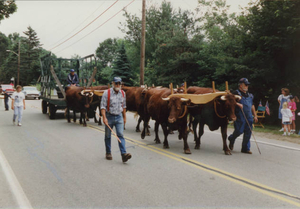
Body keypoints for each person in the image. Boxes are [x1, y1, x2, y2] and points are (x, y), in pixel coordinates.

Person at [100, 77, 132, 163]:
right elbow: (103, 107)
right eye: (116, 83)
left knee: (120, 135)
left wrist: (124, 117)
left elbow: (124, 106)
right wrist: (104, 117)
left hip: (119, 116)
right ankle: (108, 152)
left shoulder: (122, 93)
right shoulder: (107, 93)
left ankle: (124, 154)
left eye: (119, 83)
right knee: (108, 135)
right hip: (109, 116)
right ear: (113, 83)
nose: (118, 85)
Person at [228, 78, 258, 154]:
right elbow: (230, 102)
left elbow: (252, 105)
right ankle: (231, 138)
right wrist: (238, 104)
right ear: (241, 85)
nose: (247, 86)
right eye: (246, 84)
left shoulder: (250, 95)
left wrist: (255, 115)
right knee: (239, 131)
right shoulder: (236, 93)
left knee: (248, 132)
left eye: (247, 85)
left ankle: (245, 148)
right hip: (240, 115)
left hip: (249, 116)